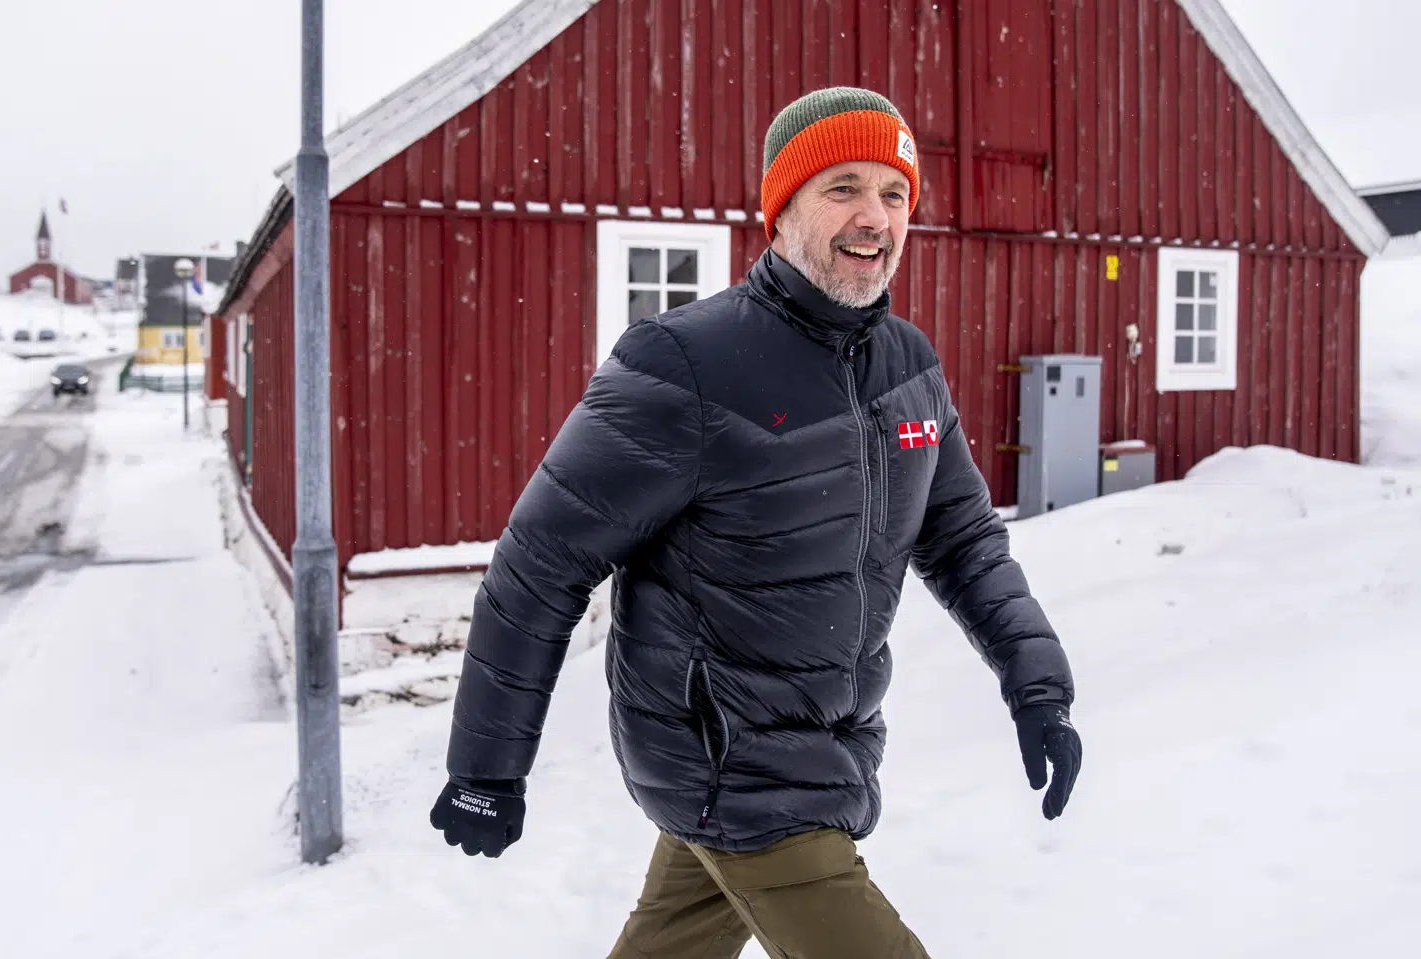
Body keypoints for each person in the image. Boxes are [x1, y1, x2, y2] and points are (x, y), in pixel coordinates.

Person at [430, 86, 1082, 958]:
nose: (875, 217)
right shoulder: (684, 364)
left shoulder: (908, 368)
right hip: (733, 767)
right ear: (781, 209)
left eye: (894, 194)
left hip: (823, 745)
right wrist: (485, 767)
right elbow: (541, 563)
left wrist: (1037, 686)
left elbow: (964, 540)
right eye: (843, 187)